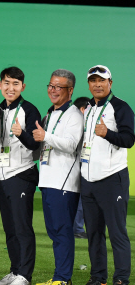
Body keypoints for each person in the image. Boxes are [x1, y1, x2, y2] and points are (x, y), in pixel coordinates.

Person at [80, 65, 133, 285]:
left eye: (102, 80)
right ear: (89, 84)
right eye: (93, 81)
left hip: (112, 179)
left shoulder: (120, 107)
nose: (97, 84)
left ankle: (121, 278)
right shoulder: (89, 108)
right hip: (89, 181)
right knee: (94, 234)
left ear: (110, 83)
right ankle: (98, 277)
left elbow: (129, 140)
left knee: (117, 233)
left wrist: (108, 133)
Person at [34, 69, 83, 285]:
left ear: (70, 90)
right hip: (47, 180)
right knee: (54, 232)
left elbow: (72, 145)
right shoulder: (50, 114)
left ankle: (63, 279)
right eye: (51, 86)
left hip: (64, 182)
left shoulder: (74, 115)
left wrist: (46, 136)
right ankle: (59, 277)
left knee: (62, 232)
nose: (53, 91)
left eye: (59, 87)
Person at [0, 67, 41, 285]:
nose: (10, 88)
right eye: (6, 83)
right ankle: (14, 271)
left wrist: (21, 133)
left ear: (23, 86)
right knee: (10, 228)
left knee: (22, 227)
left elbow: (35, 145)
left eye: (15, 84)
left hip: (22, 174)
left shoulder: (29, 110)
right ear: (0, 85)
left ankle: (24, 275)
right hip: (4, 177)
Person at [72, 96, 91, 239]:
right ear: (83, 109)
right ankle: (77, 228)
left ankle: (76, 227)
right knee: (80, 198)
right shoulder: (79, 124)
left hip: (77, 165)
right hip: (78, 164)